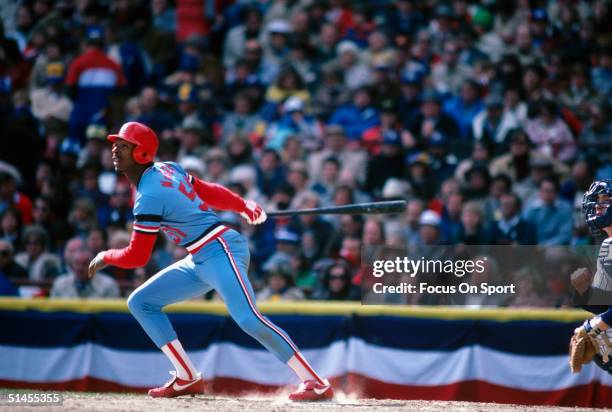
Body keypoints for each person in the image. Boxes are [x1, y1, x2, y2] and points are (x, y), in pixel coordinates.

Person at [87, 122, 333, 401]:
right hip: (200, 257)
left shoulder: (150, 193)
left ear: (141, 153)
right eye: (115, 143)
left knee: (248, 319)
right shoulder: (166, 168)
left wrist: (106, 255)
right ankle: (186, 376)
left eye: (123, 145)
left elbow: (138, 256)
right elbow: (206, 190)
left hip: (220, 248)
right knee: (140, 302)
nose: (115, 149)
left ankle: (315, 382)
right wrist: (243, 205)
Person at [570, 179, 612, 374]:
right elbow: (606, 305)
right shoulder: (607, 245)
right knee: (600, 335)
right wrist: (584, 292)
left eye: (604, 200)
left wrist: (591, 326)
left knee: (601, 331)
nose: (596, 206)